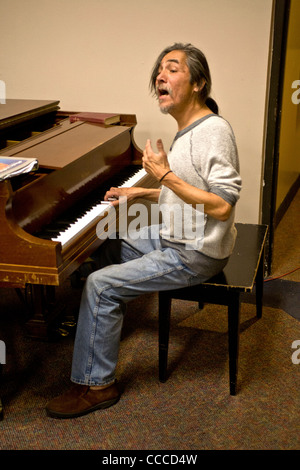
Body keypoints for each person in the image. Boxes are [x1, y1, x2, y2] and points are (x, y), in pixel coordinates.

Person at [46, 43, 242, 419]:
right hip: (176, 233)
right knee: (108, 239)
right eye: (158, 71)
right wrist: (148, 190)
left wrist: (164, 174)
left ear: (199, 82)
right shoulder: (189, 129)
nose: (160, 77)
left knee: (100, 285)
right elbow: (193, 188)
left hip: (195, 252)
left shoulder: (213, 132)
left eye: (172, 69)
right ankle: (92, 328)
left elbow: (221, 205)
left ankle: (98, 385)